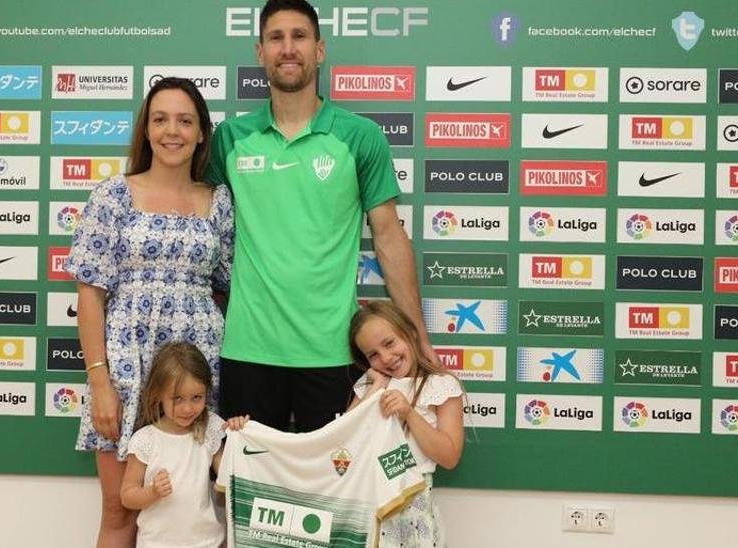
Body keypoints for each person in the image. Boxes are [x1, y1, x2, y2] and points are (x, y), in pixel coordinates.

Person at [207, 0, 435, 433]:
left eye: (299, 36)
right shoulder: (230, 139)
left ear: (320, 50)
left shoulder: (360, 136)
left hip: (333, 351)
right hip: (248, 349)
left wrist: (418, 337)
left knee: (335, 492)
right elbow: (204, 227)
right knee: (251, 493)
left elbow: (388, 238)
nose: (287, 48)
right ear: (260, 52)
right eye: (276, 38)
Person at [66, 76, 233, 547]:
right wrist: (100, 383)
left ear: (203, 132)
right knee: (120, 510)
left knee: (195, 508)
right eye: (160, 119)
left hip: (201, 368)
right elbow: (90, 295)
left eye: (185, 120)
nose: (172, 131)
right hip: (125, 367)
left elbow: (230, 287)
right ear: (146, 129)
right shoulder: (112, 196)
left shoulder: (218, 201)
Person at [348, 301, 464, 547]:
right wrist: (375, 389)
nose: (386, 358)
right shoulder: (370, 385)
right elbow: (342, 445)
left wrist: (409, 413)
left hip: (415, 507)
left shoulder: (441, 385)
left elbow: (449, 457)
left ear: (410, 333)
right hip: (366, 505)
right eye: (373, 355)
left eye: (389, 343)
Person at [120, 342, 248, 548]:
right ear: (157, 395)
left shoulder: (211, 428)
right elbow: (127, 496)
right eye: (177, 399)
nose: (188, 408)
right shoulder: (145, 440)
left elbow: (231, 477)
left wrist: (239, 434)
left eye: (196, 397)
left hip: (207, 542)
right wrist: (151, 492)